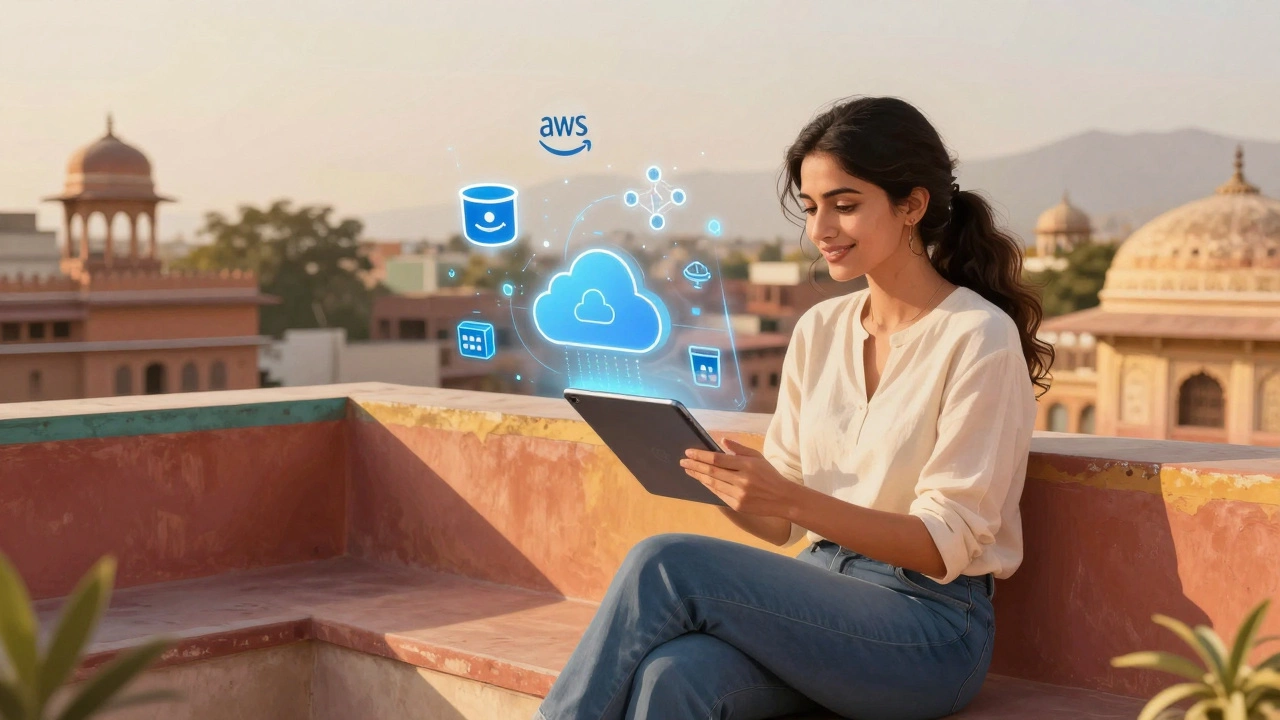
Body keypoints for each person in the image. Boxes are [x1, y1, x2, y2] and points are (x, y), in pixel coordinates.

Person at [535, 96, 1053, 720]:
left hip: (930, 629)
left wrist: (790, 500)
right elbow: (779, 525)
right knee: (675, 676)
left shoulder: (977, 337)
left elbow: (945, 546)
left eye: (845, 205)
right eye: (811, 208)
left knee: (664, 561)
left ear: (912, 206)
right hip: (822, 597)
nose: (821, 230)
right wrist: (725, 485)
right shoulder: (820, 330)